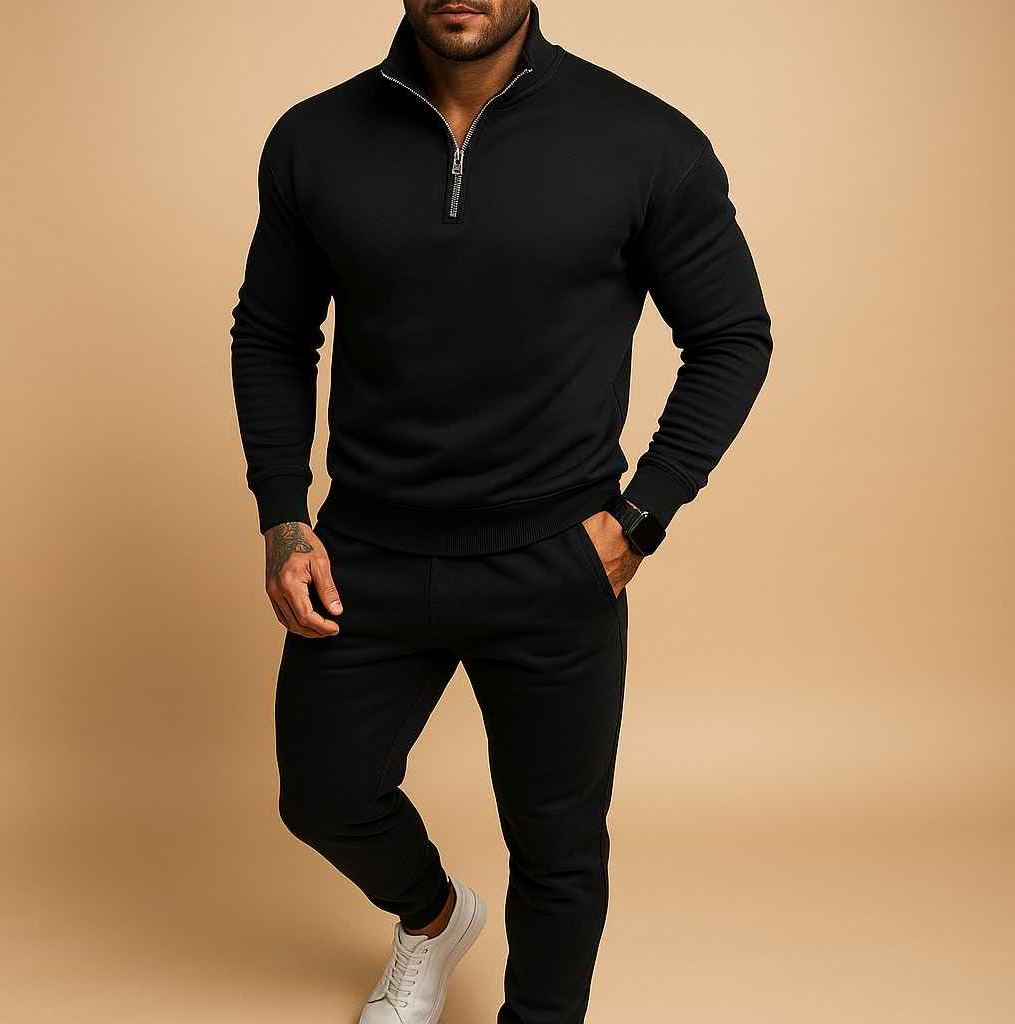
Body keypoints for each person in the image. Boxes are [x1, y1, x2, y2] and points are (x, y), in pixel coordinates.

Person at [230, 1, 772, 1022]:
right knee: (324, 796)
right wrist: (282, 514)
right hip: (366, 554)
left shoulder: (643, 139)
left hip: (555, 560)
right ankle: (434, 921)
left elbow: (732, 334)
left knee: (557, 850)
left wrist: (641, 516)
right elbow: (272, 332)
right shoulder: (315, 137)